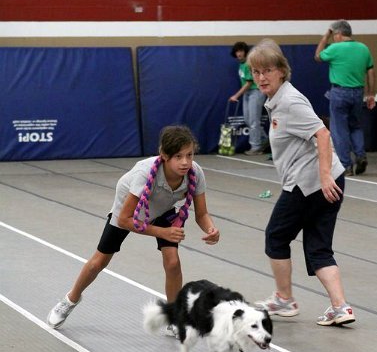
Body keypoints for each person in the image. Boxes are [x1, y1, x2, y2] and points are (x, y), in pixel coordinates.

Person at [47, 125, 220, 333]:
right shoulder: (144, 174)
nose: (185, 162)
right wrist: (162, 232)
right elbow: (125, 220)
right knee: (99, 262)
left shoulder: (195, 173)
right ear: (164, 155)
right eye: (178, 156)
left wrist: (211, 229)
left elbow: (201, 214)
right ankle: (70, 299)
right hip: (130, 210)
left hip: (165, 208)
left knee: (173, 262)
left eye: (189, 155)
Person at [247, 39, 355, 326]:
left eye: (267, 70)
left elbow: (323, 134)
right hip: (329, 182)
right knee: (318, 247)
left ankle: (285, 299)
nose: (261, 78)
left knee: (276, 236)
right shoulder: (278, 100)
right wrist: (328, 177)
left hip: (308, 185)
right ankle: (341, 307)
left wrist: (323, 175)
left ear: (282, 71)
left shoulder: (290, 101)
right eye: (256, 72)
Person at [315, 19, 376, 177]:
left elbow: (317, 57)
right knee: (355, 125)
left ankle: (345, 165)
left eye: (334, 35)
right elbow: (370, 72)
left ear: (339, 34)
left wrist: (325, 36)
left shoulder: (335, 48)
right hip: (358, 92)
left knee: (339, 130)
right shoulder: (363, 48)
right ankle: (361, 155)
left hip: (340, 92)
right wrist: (371, 94)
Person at [229, 41, 268, 155]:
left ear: (245, 52)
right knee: (248, 120)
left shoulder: (248, 64)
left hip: (256, 92)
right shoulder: (241, 64)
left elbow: (249, 83)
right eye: (237, 51)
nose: (239, 53)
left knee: (254, 121)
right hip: (247, 94)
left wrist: (236, 96)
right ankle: (265, 140)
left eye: (241, 51)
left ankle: (256, 147)